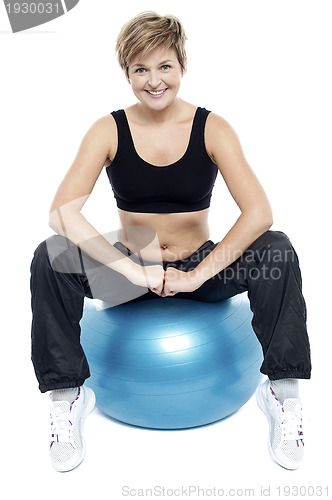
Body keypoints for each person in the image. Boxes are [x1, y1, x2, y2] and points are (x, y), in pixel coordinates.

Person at [30, 11, 311, 473]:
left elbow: (259, 213)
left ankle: (284, 393)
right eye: (141, 69)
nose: (154, 81)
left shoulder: (212, 127)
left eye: (165, 66)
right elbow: (62, 212)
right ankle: (66, 396)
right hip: (131, 268)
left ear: (182, 66)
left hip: (200, 269)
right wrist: (133, 270)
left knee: (277, 247)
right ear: (127, 74)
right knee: (50, 256)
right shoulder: (108, 129)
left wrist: (196, 274)